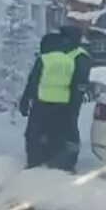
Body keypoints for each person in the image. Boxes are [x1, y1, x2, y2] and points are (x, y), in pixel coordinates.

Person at [18, 26, 91, 170]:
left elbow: (34, 79)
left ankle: (37, 159)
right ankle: (63, 162)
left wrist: (26, 99)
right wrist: (74, 105)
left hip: (42, 101)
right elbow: (80, 83)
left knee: (38, 131)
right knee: (65, 132)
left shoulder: (49, 52)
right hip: (65, 102)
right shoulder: (79, 55)